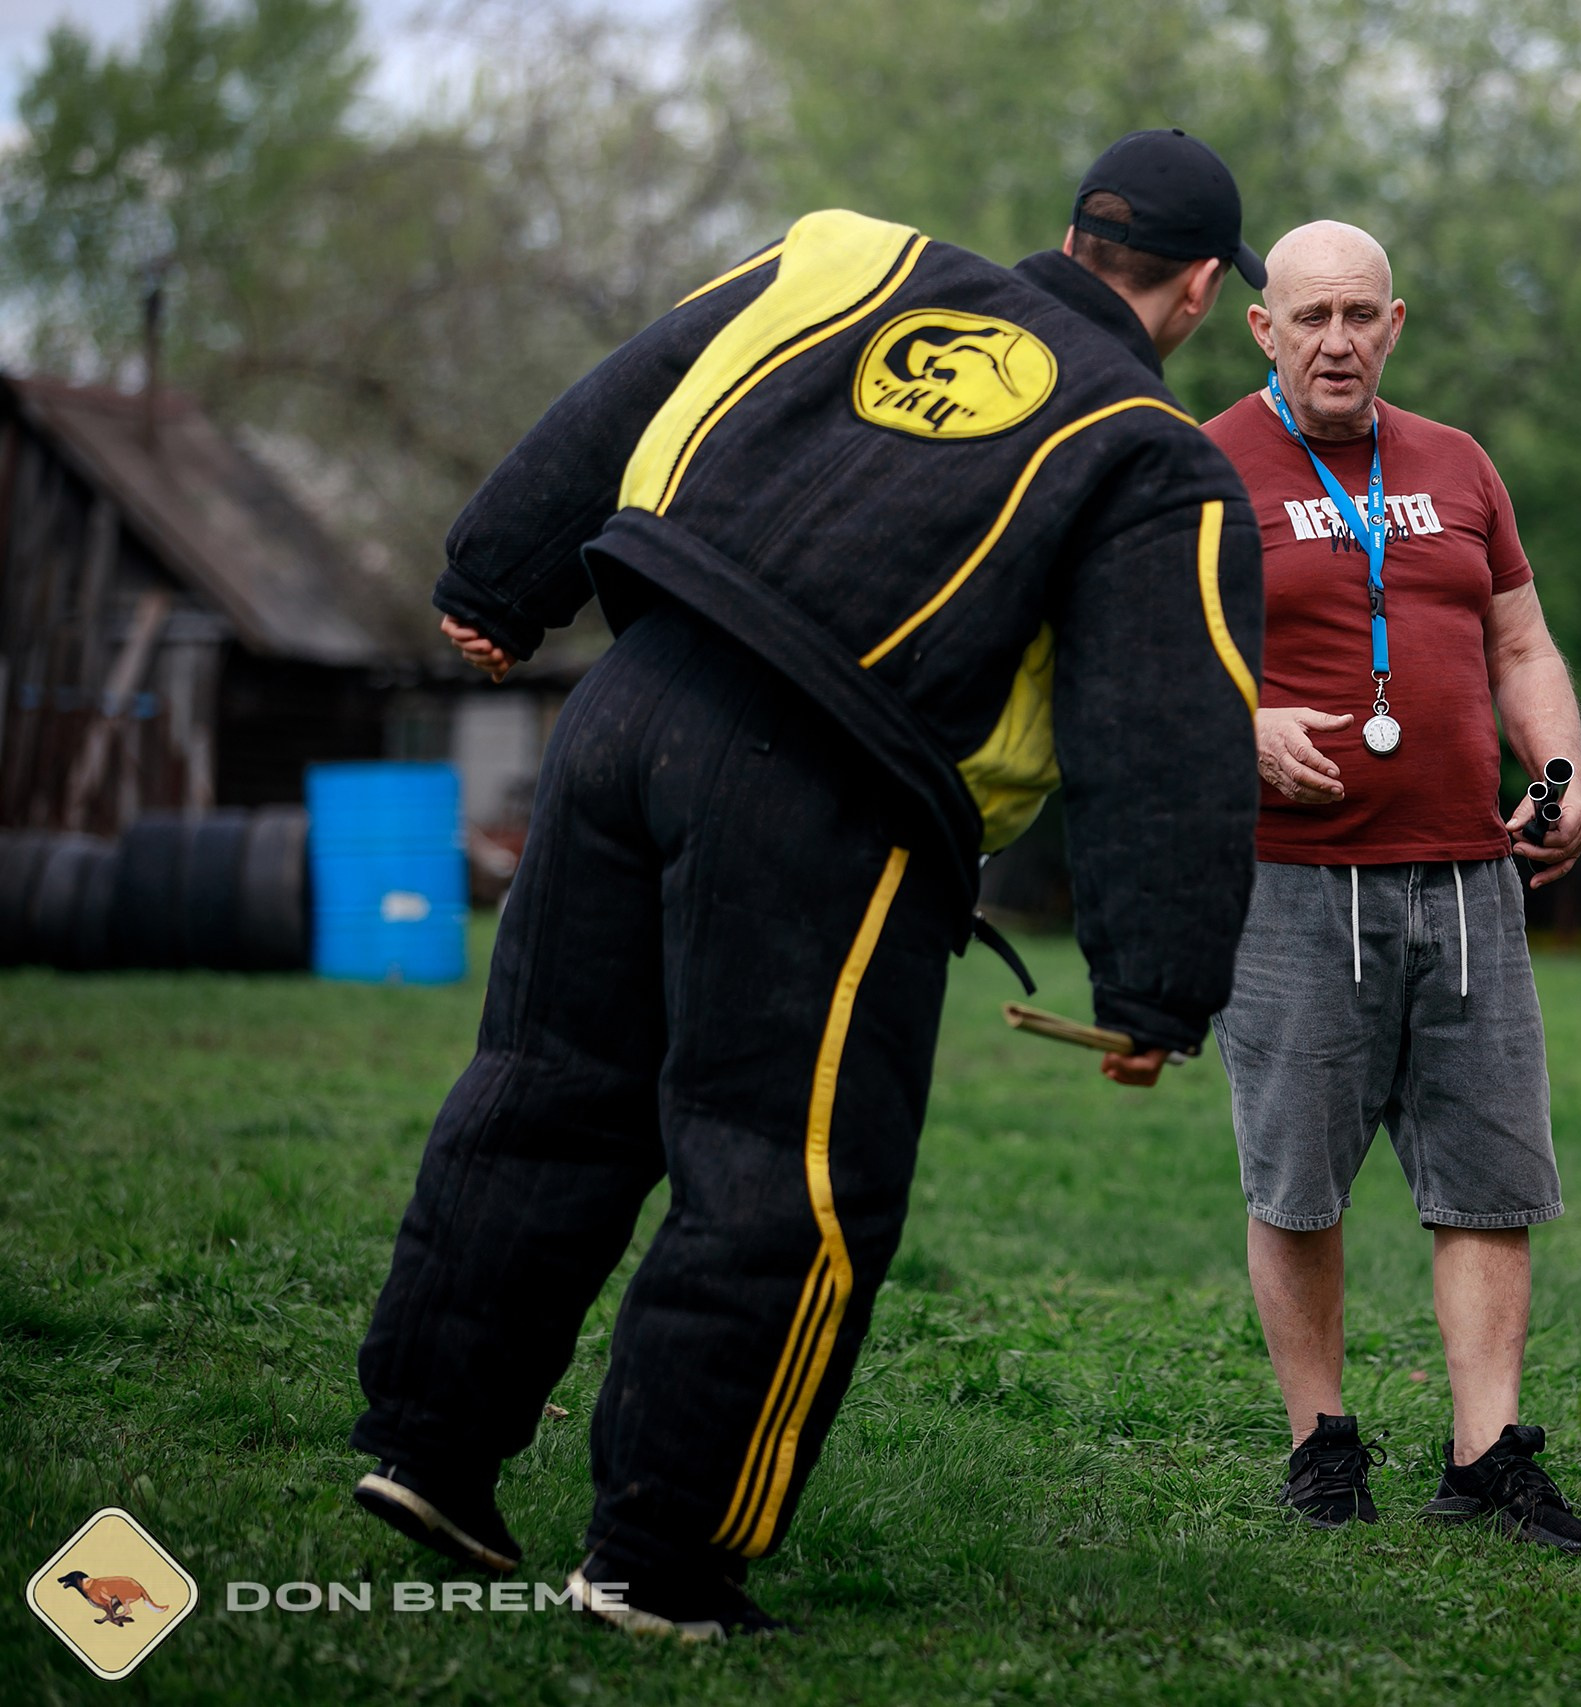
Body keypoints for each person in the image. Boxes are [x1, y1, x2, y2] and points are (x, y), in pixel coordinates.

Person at [348, 130, 1268, 1639]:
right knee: (784, 1176)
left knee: (547, 1091)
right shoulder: (1153, 451)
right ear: (1197, 291)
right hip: (826, 793)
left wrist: (499, 577)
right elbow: (1165, 722)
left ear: (1068, 233)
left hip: (626, 705)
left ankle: (433, 1452)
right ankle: (659, 1558)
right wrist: (1160, 981)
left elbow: (636, 376)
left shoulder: (860, 259)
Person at [1198, 220, 1581, 1555]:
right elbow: (1150, 656)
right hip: (1291, 883)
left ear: (1396, 323)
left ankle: (1486, 1455)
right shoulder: (1209, 463)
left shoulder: (1456, 463)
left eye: (1359, 315)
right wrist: (1246, 721)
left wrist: (1559, 770)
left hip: (1469, 880)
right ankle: (1322, 1441)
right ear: (1262, 329)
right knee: (1297, 1180)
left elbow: (1522, 640)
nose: (1336, 340)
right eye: (1308, 316)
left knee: (1490, 1180)